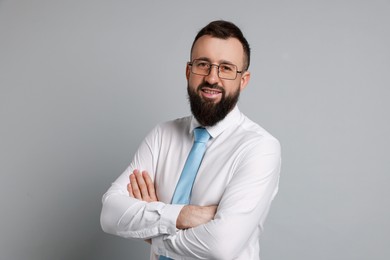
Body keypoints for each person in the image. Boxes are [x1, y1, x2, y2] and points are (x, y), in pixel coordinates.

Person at [100, 20, 281, 260]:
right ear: (189, 71)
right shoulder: (161, 135)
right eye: (203, 64)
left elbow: (221, 246)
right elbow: (110, 214)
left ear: (243, 80)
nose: (212, 78)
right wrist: (182, 215)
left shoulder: (260, 148)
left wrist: (153, 230)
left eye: (226, 68)